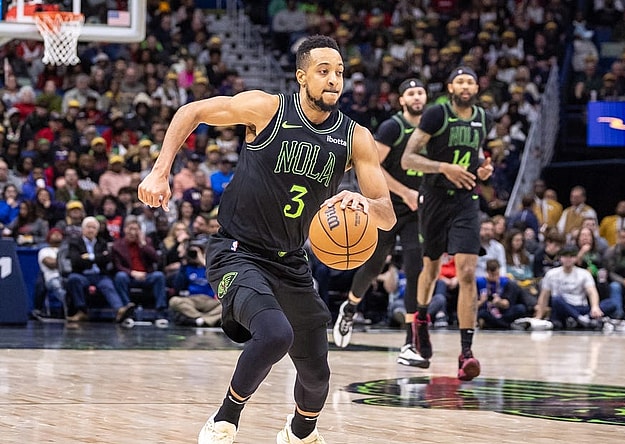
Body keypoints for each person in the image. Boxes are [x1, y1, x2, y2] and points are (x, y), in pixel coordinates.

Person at [137, 35, 395, 444]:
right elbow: (193, 111)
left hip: (291, 262)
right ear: (301, 77)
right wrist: (160, 170)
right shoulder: (268, 109)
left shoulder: (355, 137)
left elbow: (386, 213)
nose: (333, 80)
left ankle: (300, 434)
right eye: (323, 71)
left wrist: (362, 201)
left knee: (317, 376)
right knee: (275, 334)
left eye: (340, 73)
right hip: (237, 252)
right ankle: (223, 420)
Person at [401, 66, 494, 381]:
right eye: (460, 81)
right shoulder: (436, 115)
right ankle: (421, 321)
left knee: (468, 272)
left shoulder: (483, 117)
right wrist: (444, 168)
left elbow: (476, 155)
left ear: (476, 87)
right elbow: (408, 158)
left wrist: (481, 169)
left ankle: (466, 353)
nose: (465, 86)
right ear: (451, 86)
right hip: (435, 198)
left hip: (466, 199)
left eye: (470, 81)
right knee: (431, 269)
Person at [331, 78, 428, 369]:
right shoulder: (393, 127)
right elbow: (372, 168)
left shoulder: (430, 131)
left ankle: (412, 340)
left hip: (416, 211)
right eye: (410, 93)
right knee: (373, 266)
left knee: (415, 268)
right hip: (385, 205)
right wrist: (406, 192)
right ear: (402, 100)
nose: (416, 97)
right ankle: (350, 307)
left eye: (420, 92)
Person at [65, 216, 135, 323]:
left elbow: (107, 259)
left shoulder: (102, 243)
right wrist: (98, 257)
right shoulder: (75, 243)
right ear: (83, 229)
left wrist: (89, 257)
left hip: (99, 275)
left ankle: (120, 310)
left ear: (97, 231)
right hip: (82, 274)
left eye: (93, 228)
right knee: (73, 279)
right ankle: (81, 311)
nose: (91, 230)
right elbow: (76, 261)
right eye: (88, 227)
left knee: (107, 284)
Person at [534, 245, 616, 329]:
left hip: (580, 307)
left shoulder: (584, 273)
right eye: (565, 256)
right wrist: (539, 316)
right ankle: (581, 319)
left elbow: (592, 292)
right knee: (556, 299)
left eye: (571, 256)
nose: (568, 259)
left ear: (576, 258)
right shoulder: (551, 274)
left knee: (610, 303)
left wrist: (595, 307)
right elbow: (544, 295)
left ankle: (583, 319)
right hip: (562, 308)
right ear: (560, 258)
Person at [111, 217, 170, 327]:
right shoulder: (117, 245)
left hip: (146, 275)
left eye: (136, 229)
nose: (133, 232)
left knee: (159, 276)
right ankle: (127, 310)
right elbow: (117, 266)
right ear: (124, 230)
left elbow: (157, 259)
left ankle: (160, 313)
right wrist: (132, 273)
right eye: (130, 229)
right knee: (120, 276)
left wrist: (143, 244)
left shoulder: (146, 242)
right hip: (129, 276)